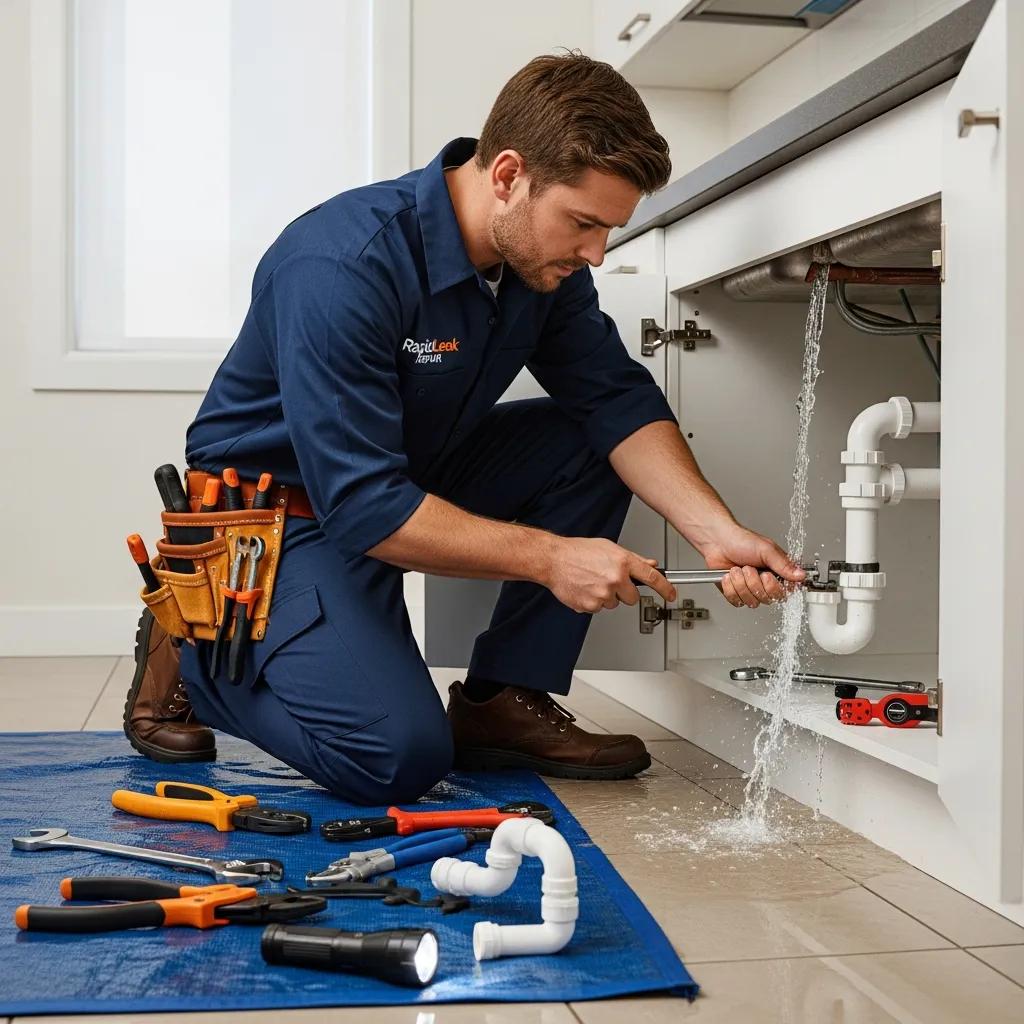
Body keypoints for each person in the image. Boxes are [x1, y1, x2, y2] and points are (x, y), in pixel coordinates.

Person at [124, 52, 805, 800]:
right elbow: (362, 505)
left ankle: (499, 703)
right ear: (509, 175)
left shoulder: (540, 266)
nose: (596, 253)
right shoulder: (341, 264)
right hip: (280, 521)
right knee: (398, 759)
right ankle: (198, 651)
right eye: (583, 224)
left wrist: (716, 531)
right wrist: (552, 558)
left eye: (609, 229)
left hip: (399, 477)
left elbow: (614, 400)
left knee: (585, 443)